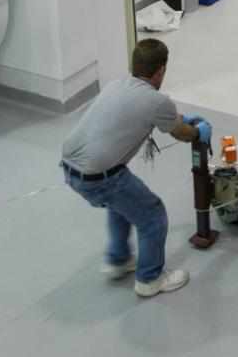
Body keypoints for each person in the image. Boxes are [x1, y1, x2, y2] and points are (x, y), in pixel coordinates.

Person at [61, 38, 212, 298]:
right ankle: (149, 279)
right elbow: (183, 134)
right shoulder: (157, 102)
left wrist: (176, 118)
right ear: (162, 70)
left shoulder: (115, 85)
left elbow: (145, 113)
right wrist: (198, 131)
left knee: (122, 204)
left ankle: (118, 260)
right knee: (153, 216)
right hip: (101, 177)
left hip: (70, 167)